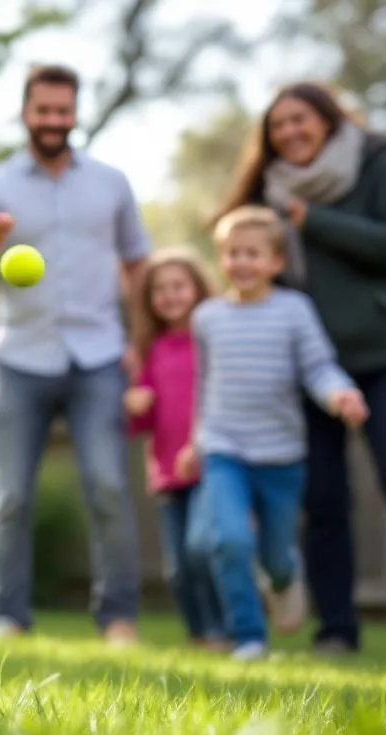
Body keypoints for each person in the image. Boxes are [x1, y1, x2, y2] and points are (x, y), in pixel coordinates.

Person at [216, 81, 386, 659]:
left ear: (329, 120)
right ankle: (336, 629)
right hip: (307, 368)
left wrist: (315, 221)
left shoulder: (375, 163)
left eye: (301, 120)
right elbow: (248, 263)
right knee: (324, 499)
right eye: (278, 126)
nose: (290, 133)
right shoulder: (267, 191)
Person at [0, 64, 152, 645]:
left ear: (75, 113)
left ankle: (118, 618)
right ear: (25, 112)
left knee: (109, 488)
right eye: (44, 111)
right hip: (19, 357)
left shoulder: (111, 183)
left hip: (97, 357)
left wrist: (137, 342)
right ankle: (8, 617)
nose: (54, 121)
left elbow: (138, 264)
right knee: (10, 495)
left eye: (63, 111)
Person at [179, 205, 368, 660]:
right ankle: (248, 637)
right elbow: (205, 384)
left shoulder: (294, 311)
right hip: (224, 447)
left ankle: (285, 577)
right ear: (220, 259)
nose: (242, 262)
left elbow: (318, 367)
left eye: (253, 254)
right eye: (232, 253)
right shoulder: (207, 318)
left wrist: (340, 394)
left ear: (276, 262)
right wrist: (196, 439)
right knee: (228, 540)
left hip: (281, 454)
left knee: (276, 555)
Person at [124, 246, 227, 652]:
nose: (169, 295)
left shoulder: (214, 342)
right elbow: (142, 423)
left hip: (211, 464)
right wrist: (136, 406)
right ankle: (199, 634)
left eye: (178, 286)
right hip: (167, 471)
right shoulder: (151, 350)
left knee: (202, 550)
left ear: (198, 289)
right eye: (160, 289)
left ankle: (223, 630)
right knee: (178, 569)